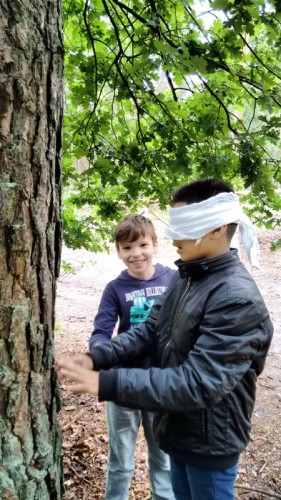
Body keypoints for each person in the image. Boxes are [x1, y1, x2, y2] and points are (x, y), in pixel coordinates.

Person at [56, 178, 273, 500]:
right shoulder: (187, 276)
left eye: (184, 225)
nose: (172, 238)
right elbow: (149, 330)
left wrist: (108, 384)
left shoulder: (235, 298)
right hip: (179, 428)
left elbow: (199, 382)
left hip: (210, 442)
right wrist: (96, 358)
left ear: (217, 228)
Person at [89, 214, 175, 500]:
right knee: (121, 462)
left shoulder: (173, 280)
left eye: (141, 245)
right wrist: (99, 357)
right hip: (123, 384)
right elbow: (101, 331)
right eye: (127, 248)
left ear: (154, 245)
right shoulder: (115, 289)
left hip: (161, 383)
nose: (136, 254)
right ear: (118, 251)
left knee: (163, 458)